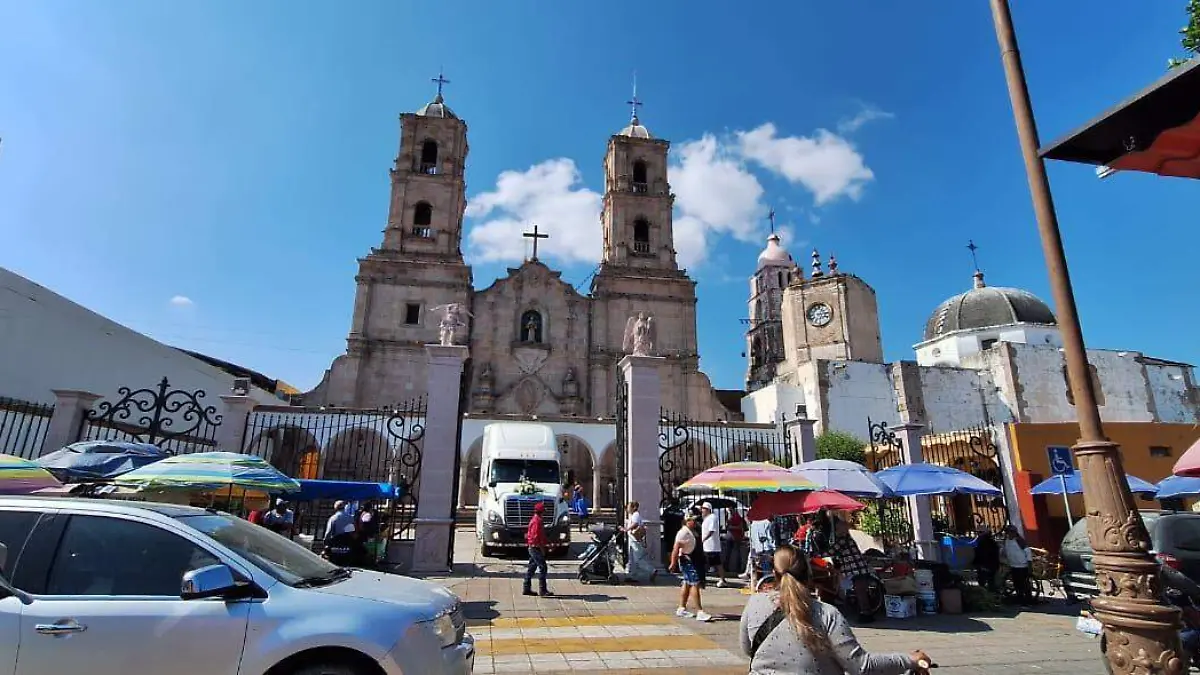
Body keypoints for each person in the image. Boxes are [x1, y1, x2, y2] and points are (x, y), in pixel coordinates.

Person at [739, 545, 930, 675]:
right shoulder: (826, 614)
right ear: (810, 574)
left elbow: (748, 650)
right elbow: (860, 666)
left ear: (774, 574)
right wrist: (910, 659)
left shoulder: (754, 604)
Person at [828, 517, 875, 622]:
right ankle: (865, 613)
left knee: (861, 592)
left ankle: (866, 614)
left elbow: (832, 551)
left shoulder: (843, 540)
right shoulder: (846, 539)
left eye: (837, 529)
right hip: (856, 569)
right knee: (860, 592)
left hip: (857, 569)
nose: (836, 531)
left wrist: (818, 554)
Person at [669, 514, 711, 622]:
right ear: (687, 521)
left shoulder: (693, 531)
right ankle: (699, 611)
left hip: (694, 559)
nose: (696, 522)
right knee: (694, 583)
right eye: (693, 520)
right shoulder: (683, 533)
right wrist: (673, 563)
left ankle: (681, 608)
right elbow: (675, 548)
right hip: (687, 560)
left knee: (687, 583)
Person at [622, 501, 657, 583]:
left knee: (638, 559)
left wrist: (626, 529)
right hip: (632, 539)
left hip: (635, 540)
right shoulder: (633, 515)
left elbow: (635, 524)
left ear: (633, 507)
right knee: (632, 559)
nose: (627, 509)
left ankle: (652, 570)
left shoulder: (636, 515)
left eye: (629, 507)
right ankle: (631, 575)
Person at [523, 501, 552, 597]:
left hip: (532, 547)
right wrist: (542, 548)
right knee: (543, 567)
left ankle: (526, 588)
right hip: (535, 548)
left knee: (532, 567)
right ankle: (542, 590)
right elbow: (536, 538)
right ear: (541, 512)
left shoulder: (535, 520)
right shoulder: (537, 521)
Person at [1003, 525, 1033, 606]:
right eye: (1008, 532)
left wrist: (1030, 564)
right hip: (1013, 566)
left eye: (1010, 532)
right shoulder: (1007, 541)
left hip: (1022, 566)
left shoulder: (1019, 541)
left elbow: (1028, 552)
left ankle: (1028, 600)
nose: (1009, 534)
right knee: (1017, 584)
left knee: (1024, 584)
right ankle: (1020, 599)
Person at [700, 503, 726, 588]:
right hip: (706, 546)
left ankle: (722, 579)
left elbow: (711, 530)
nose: (702, 510)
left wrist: (704, 539)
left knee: (717, 563)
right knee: (705, 563)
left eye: (703, 508)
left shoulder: (712, 518)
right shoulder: (706, 519)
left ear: (708, 509)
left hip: (712, 546)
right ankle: (702, 579)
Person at [749, 516, 777, 590]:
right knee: (768, 568)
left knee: (759, 568)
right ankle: (769, 584)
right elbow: (771, 537)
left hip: (757, 548)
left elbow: (751, 538)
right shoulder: (768, 523)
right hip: (767, 547)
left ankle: (762, 583)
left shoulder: (753, 524)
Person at [972, 526, 1001, 592]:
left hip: (986, 566)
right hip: (990, 566)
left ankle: (989, 597)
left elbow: (984, 554)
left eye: (979, 532)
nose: (978, 534)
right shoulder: (988, 541)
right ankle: (992, 596)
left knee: (985, 583)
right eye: (977, 532)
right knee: (990, 582)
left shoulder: (985, 542)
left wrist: (982, 565)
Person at [723, 508, 747, 584]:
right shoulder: (731, 516)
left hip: (735, 537)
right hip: (731, 537)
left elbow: (740, 527)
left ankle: (737, 567)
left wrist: (730, 527)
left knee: (735, 552)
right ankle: (727, 567)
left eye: (730, 510)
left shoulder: (737, 517)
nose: (729, 511)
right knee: (729, 552)